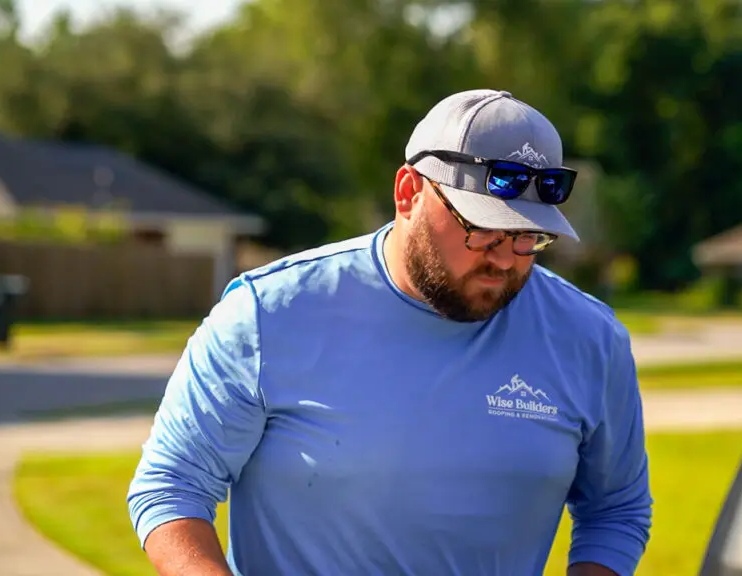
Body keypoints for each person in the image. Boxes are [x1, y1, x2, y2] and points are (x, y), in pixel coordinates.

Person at [127, 88, 653, 576]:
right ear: (408, 193)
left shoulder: (590, 339)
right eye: (482, 229)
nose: (506, 260)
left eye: (529, 238)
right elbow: (172, 485)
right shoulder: (270, 312)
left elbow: (616, 509)